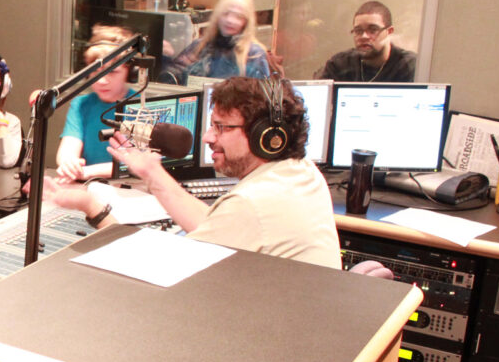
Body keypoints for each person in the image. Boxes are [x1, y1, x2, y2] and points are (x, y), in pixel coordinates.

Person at [36, 76, 340, 268]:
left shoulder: (251, 204)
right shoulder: (301, 172)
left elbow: (159, 270)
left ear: (266, 136)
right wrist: (152, 173)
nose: (208, 137)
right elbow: (214, 225)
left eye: (221, 127)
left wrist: (92, 207)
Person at [56, 24, 137, 181]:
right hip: (90, 186)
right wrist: (69, 164)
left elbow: (136, 163)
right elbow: (68, 149)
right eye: (95, 71)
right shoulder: (81, 105)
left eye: (112, 72)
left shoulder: (140, 108)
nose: (101, 80)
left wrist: (87, 172)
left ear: (129, 72)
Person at [161, 0, 271, 85]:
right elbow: (171, 82)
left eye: (238, 16)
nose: (230, 20)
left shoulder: (254, 56)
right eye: (226, 13)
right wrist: (166, 57)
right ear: (217, 16)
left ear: (246, 22)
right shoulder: (200, 46)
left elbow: (259, 101)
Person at [316, 1, 417, 83]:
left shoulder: (408, 65)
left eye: (373, 30)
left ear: (389, 32)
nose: (364, 36)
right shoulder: (339, 65)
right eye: (358, 31)